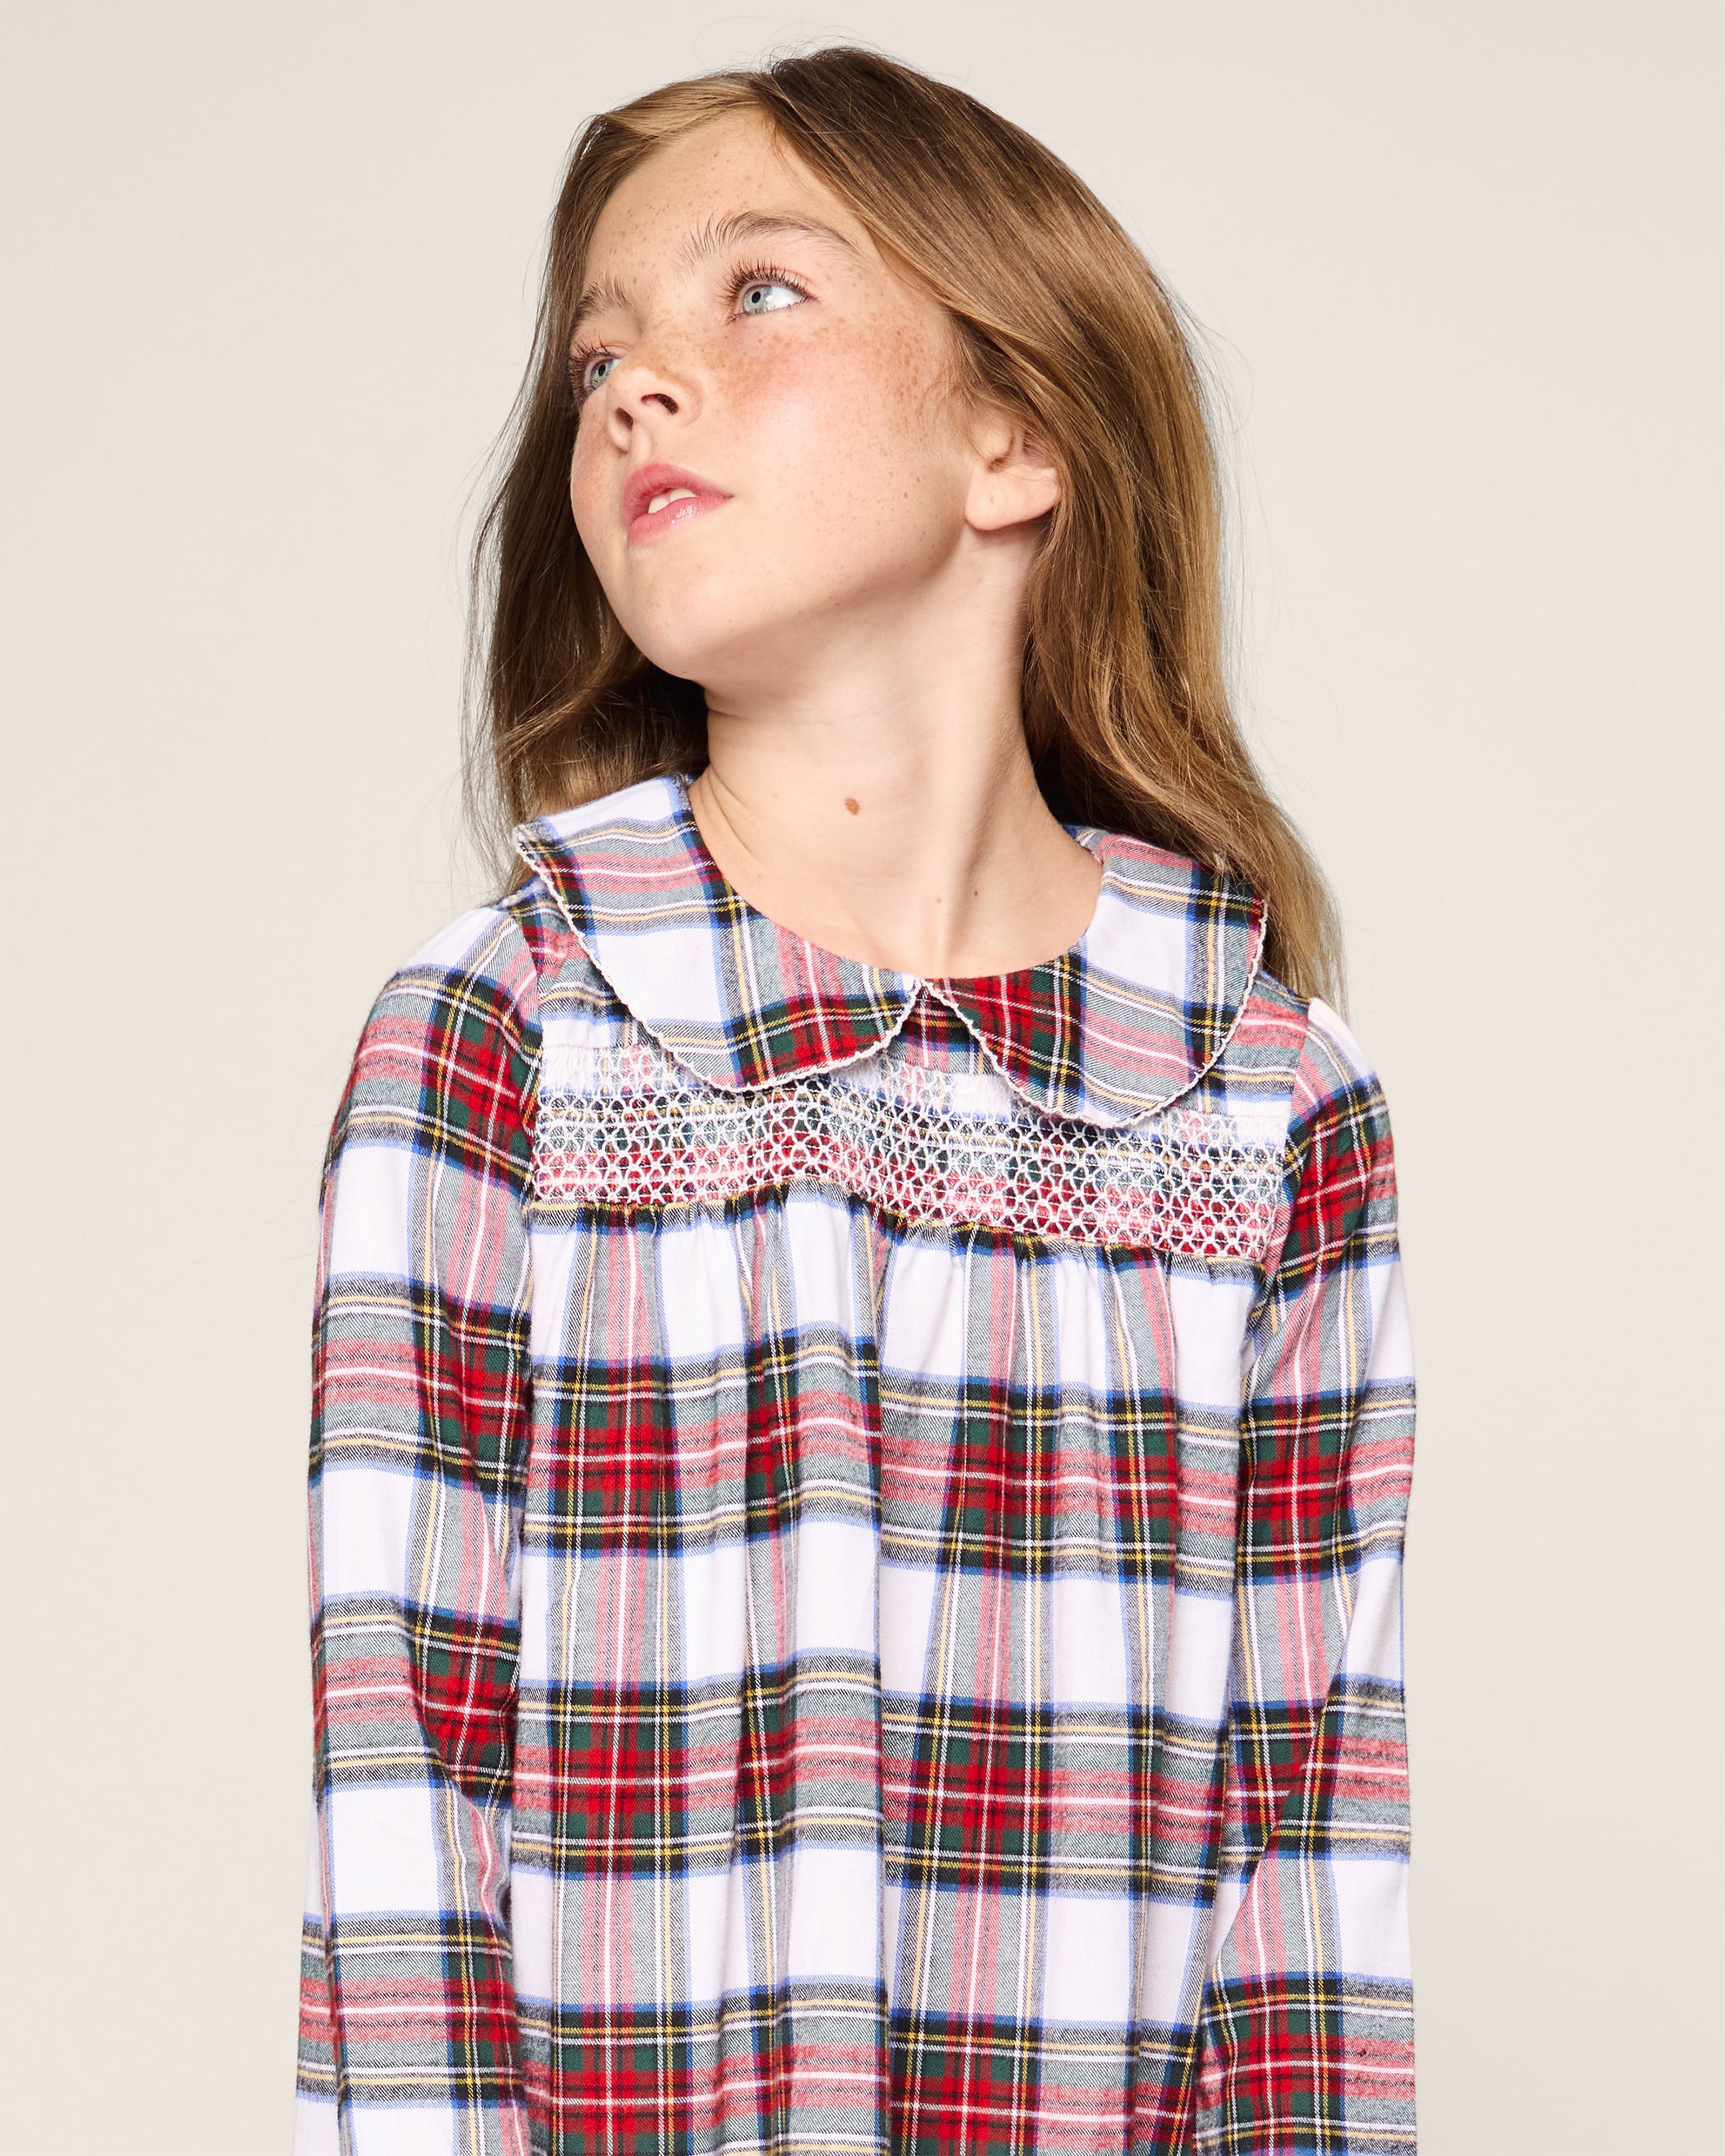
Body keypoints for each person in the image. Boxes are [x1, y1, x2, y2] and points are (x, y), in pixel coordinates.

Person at [293, 46, 1417, 2156]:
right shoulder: (511, 1029)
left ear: (1015, 429)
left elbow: (1308, 1863)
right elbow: (402, 1833)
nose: (630, 385)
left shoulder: (1269, 1101)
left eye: (759, 294)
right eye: (596, 353)